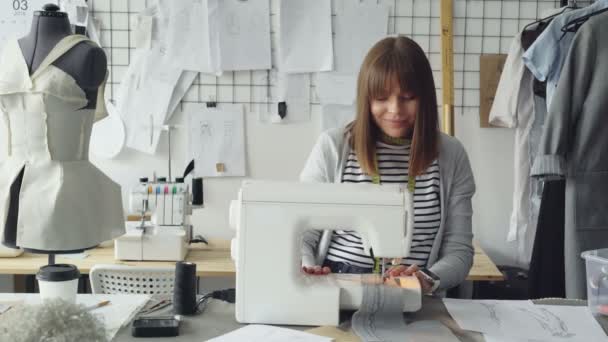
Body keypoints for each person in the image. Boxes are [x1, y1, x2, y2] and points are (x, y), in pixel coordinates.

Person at [299, 36, 476, 294]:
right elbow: (302, 233)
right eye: (381, 98)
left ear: (424, 98)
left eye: (407, 97)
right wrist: (307, 266)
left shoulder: (451, 155)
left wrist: (429, 278)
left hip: (415, 289)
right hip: (335, 285)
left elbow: (459, 250)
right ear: (366, 98)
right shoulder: (333, 148)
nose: (395, 109)